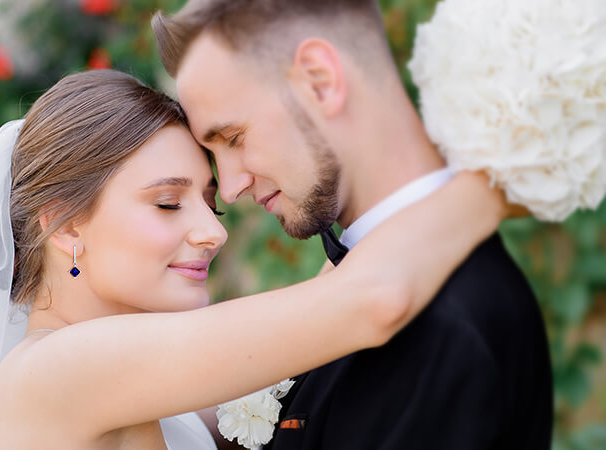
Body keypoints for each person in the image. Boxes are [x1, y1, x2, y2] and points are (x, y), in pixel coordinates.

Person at [0, 70, 508, 450]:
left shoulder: (137, 377)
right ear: (64, 226)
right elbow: (370, 301)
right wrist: (509, 179)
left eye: (213, 203)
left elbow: (332, 295)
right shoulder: (59, 371)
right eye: (169, 204)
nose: (213, 232)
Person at [152, 0, 553, 448]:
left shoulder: (449, 330)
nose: (229, 189)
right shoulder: (340, 296)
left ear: (320, 82)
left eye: (234, 138)